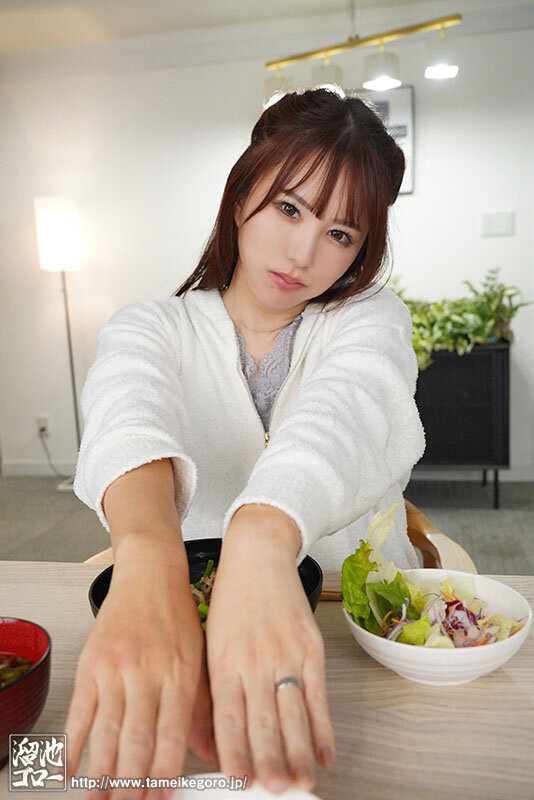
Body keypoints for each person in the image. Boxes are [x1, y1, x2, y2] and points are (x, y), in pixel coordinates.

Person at [66, 88, 425, 799]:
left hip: (366, 632)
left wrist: (260, 543)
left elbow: (348, 413)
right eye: (288, 209)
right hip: (195, 637)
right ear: (240, 197)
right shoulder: (151, 326)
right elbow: (125, 422)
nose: (302, 253)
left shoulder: (370, 319)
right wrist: (147, 557)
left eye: (340, 234)